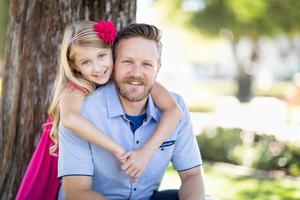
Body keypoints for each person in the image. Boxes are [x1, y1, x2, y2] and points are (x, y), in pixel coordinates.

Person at [16, 20, 182, 200]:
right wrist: (119, 150)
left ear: (112, 51)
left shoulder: (130, 78)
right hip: (59, 157)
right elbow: (70, 119)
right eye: (86, 62)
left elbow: (174, 110)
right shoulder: (75, 87)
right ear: (74, 66)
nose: (97, 68)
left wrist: (145, 153)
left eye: (102, 56)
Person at [58, 23, 205, 200]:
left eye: (147, 64)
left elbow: (193, 176)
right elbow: (77, 194)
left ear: (158, 67)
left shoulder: (174, 105)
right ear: (115, 61)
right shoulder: (81, 112)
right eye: (127, 62)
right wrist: (119, 150)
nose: (136, 73)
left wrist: (146, 152)